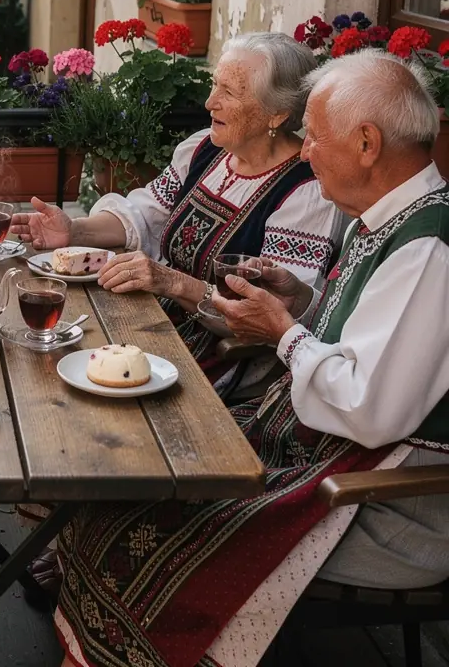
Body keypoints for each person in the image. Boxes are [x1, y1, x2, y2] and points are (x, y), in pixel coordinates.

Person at [54, 49, 449, 667]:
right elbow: (368, 346)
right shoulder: (393, 220)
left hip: (377, 501)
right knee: (118, 475)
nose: (307, 151)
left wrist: (285, 330)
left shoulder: (427, 248)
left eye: (315, 138)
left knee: (140, 517)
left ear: (367, 142)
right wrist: (307, 303)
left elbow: (367, 409)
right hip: (318, 447)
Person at [13, 32, 346, 404]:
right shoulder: (205, 150)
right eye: (213, 85)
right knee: (43, 359)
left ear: (278, 114)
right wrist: (74, 230)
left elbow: (266, 316)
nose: (209, 102)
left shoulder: (303, 193)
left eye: (229, 93)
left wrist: (172, 282)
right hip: (154, 321)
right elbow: (145, 213)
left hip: (218, 359)